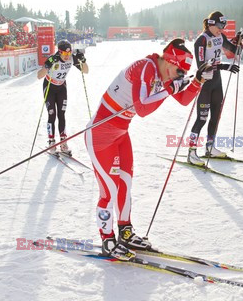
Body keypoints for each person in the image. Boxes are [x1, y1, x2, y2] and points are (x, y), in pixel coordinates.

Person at [84, 38, 213, 260]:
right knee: (109, 191)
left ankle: (125, 232)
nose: (180, 75)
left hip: (121, 134)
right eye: (179, 70)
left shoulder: (163, 76)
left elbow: (182, 99)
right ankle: (107, 239)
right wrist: (172, 86)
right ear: (169, 61)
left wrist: (198, 81)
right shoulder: (146, 68)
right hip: (100, 136)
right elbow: (142, 108)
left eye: (184, 73)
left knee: (125, 184)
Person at [187, 11, 243, 166]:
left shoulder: (220, 37)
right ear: (211, 24)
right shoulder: (201, 40)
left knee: (215, 117)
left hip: (217, 83)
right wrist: (222, 65)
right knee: (201, 119)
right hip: (204, 83)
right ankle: (191, 152)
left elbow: (236, 51)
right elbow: (201, 66)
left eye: (223, 26)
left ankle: (210, 147)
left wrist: (239, 39)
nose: (221, 29)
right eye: (220, 26)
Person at [37, 39, 88, 155]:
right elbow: (39, 76)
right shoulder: (53, 58)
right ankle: (51, 141)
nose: (67, 56)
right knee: (52, 114)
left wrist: (83, 61)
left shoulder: (71, 58)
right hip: (49, 87)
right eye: (64, 53)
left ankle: (63, 142)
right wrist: (47, 65)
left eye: (68, 53)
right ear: (59, 52)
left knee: (61, 114)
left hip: (61, 88)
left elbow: (86, 71)